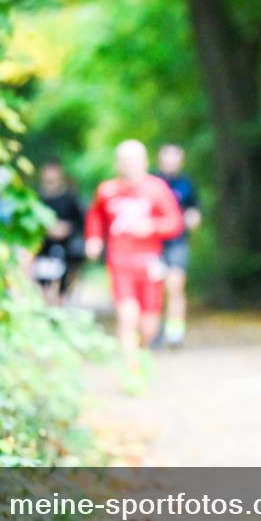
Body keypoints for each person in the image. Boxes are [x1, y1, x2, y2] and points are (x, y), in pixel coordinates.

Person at [85, 140, 184, 359]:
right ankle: (130, 367)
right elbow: (95, 217)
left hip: (150, 262)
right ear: (118, 164)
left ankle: (143, 355)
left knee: (149, 325)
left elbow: (175, 222)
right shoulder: (107, 190)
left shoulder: (157, 188)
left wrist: (152, 227)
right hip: (120, 261)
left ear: (145, 162)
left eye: (135, 161)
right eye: (125, 161)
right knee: (127, 315)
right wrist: (93, 239)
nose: (130, 166)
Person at [153, 144, 201, 348]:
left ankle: (175, 332)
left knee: (175, 285)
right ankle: (153, 330)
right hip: (153, 244)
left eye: (175, 158)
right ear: (160, 159)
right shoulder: (151, 181)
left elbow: (195, 209)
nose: (171, 162)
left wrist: (192, 218)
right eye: (167, 158)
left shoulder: (186, 184)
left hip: (177, 242)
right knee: (154, 288)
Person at [34, 159, 86, 305]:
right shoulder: (36, 197)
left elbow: (80, 222)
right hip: (42, 248)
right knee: (43, 286)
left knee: (62, 288)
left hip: (66, 249)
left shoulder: (70, 198)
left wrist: (65, 228)